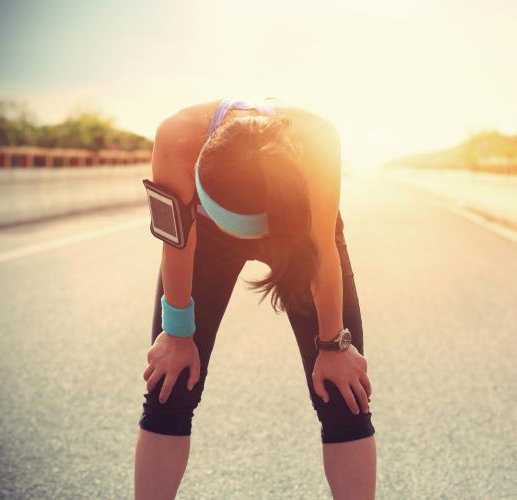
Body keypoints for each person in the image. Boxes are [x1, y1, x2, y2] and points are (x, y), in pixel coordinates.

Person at [134, 98, 377, 499]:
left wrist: (334, 345)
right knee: (170, 382)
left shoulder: (315, 142)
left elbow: (322, 251)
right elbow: (176, 243)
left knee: (343, 391)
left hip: (296, 232)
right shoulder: (177, 138)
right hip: (206, 240)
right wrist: (176, 336)